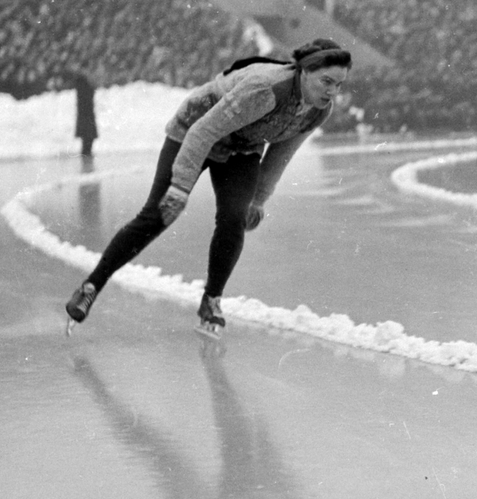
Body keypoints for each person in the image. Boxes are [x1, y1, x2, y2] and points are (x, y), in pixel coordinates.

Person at [65, 39, 352, 336]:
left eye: (339, 85)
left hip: (242, 147)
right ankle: (91, 286)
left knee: (234, 218)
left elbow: (281, 154)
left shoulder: (319, 109)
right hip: (193, 129)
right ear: (304, 72)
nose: (332, 92)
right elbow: (204, 130)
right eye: (326, 81)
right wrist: (180, 186)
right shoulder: (265, 89)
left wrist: (259, 199)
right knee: (159, 214)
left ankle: (212, 300)